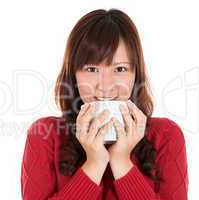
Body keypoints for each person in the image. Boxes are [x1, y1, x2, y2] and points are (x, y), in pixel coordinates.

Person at [21, 9, 189, 199]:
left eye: (120, 69)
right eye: (91, 69)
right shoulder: (45, 134)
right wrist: (94, 163)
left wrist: (121, 161)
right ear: (73, 76)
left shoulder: (166, 135)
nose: (105, 86)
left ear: (136, 75)